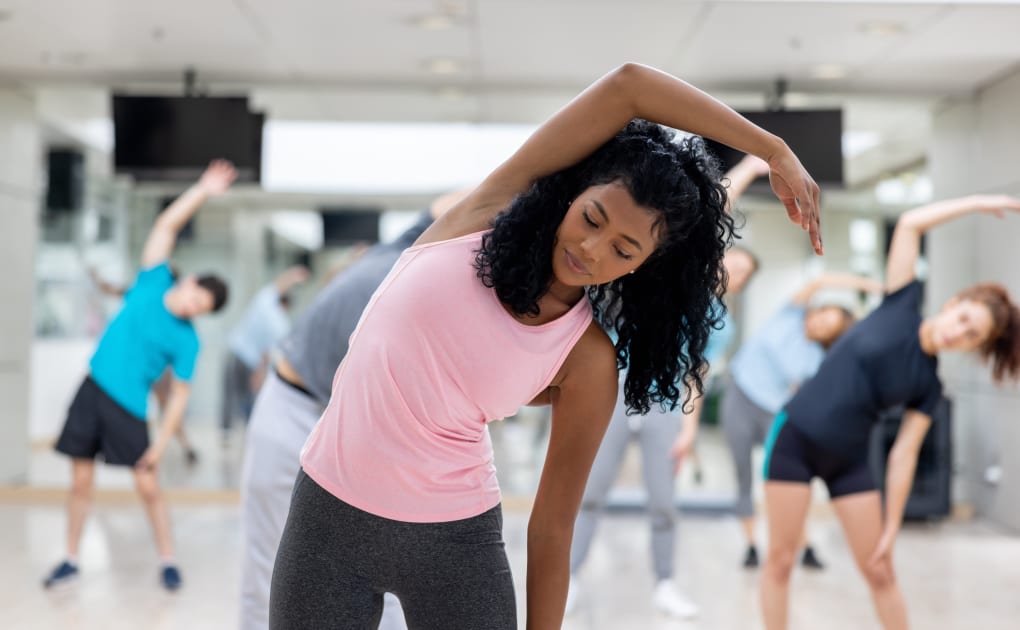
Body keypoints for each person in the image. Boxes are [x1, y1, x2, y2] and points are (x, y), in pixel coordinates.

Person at [270, 62, 822, 630]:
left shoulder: (588, 361)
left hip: (454, 543)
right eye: (592, 217)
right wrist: (772, 147)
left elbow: (554, 526)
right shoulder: (479, 216)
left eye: (624, 249)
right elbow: (629, 85)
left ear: (641, 268)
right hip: (327, 522)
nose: (592, 248)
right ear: (573, 193)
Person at [760, 194, 1020, 630]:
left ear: (976, 347)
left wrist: (891, 526)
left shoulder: (929, 387)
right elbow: (911, 224)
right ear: (954, 303)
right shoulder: (900, 302)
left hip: (849, 461)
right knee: (782, 561)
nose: (959, 333)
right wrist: (979, 202)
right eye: (964, 319)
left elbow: (903, 456)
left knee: (881, 569)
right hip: (795, 439)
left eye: (972, 335)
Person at [239, 191, 467, 630]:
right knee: (266, 572)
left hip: (353, 426)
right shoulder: (409, 248)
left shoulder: (448, 288)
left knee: (388, 573)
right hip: (292, 407)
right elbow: (457, 202)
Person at [564, 155, 766, 620]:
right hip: (609, 393)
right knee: (589, 493)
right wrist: (752, 167)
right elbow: (712, 211)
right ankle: (569, 576)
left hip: (664, 405)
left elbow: (696, 374)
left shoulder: (719, 325)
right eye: (730, 259)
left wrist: (690, 431)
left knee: (663, 502)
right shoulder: (675, 279)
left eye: (743, 272)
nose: (732, 270)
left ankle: (666, 583)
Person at [42, 160, 235, 592]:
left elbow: (180, 396)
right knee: (79, 482)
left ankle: (168, 560)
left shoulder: (188, 341)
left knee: (148, 487)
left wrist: (163, 443)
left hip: (129, 407)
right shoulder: (152, 279)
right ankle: (70, 558)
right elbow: (167, 224)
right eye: (195, 297)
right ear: (188, 283)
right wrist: (202, 189)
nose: (192, 307)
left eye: (201, 308)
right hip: (92, 388)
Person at [725, 273, 882, 570]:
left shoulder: (818, 361)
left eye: (826, 326)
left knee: (782, 479)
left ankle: (804, 544)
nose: (816, 322)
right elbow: (819, 281)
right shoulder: (789, 316)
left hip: (775, 412)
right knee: (742, 473)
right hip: (740, 396)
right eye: (821, 315)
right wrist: (868, 286)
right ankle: (750, 545)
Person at [87, 266, 201, 466]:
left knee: (167, 406)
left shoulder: (179, 309)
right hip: (144, 373)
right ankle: (185, 445)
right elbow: (115, 290)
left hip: (160, 371)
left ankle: (185, 445)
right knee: (164, 406)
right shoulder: (150, 295)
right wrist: (97, 278)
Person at [222, 265, 310, 444]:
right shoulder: (281, 324)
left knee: (230, 394)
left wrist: (292, 276)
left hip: (236, 351)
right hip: (251, 361)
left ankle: (226, 434)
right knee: (249, 396)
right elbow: (268, 354)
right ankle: (250, 430)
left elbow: (277, 286)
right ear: (286, 306)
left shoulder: (264, 302)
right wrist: (259, 373)